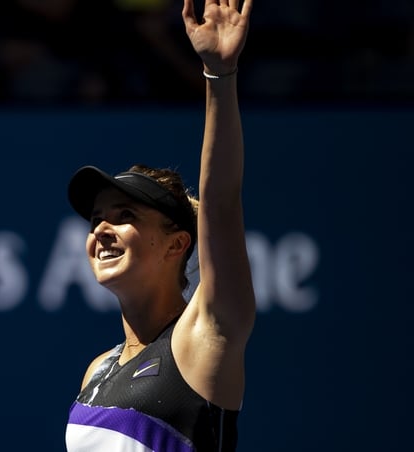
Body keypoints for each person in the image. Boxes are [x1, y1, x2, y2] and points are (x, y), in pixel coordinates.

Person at [64, 0, 256, 451]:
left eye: (124, 216)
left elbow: (222, 204)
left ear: (176, 244)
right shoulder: (98, 369)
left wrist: (219, 77)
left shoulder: (206, 333)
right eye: (96, 219)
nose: (101, 231)